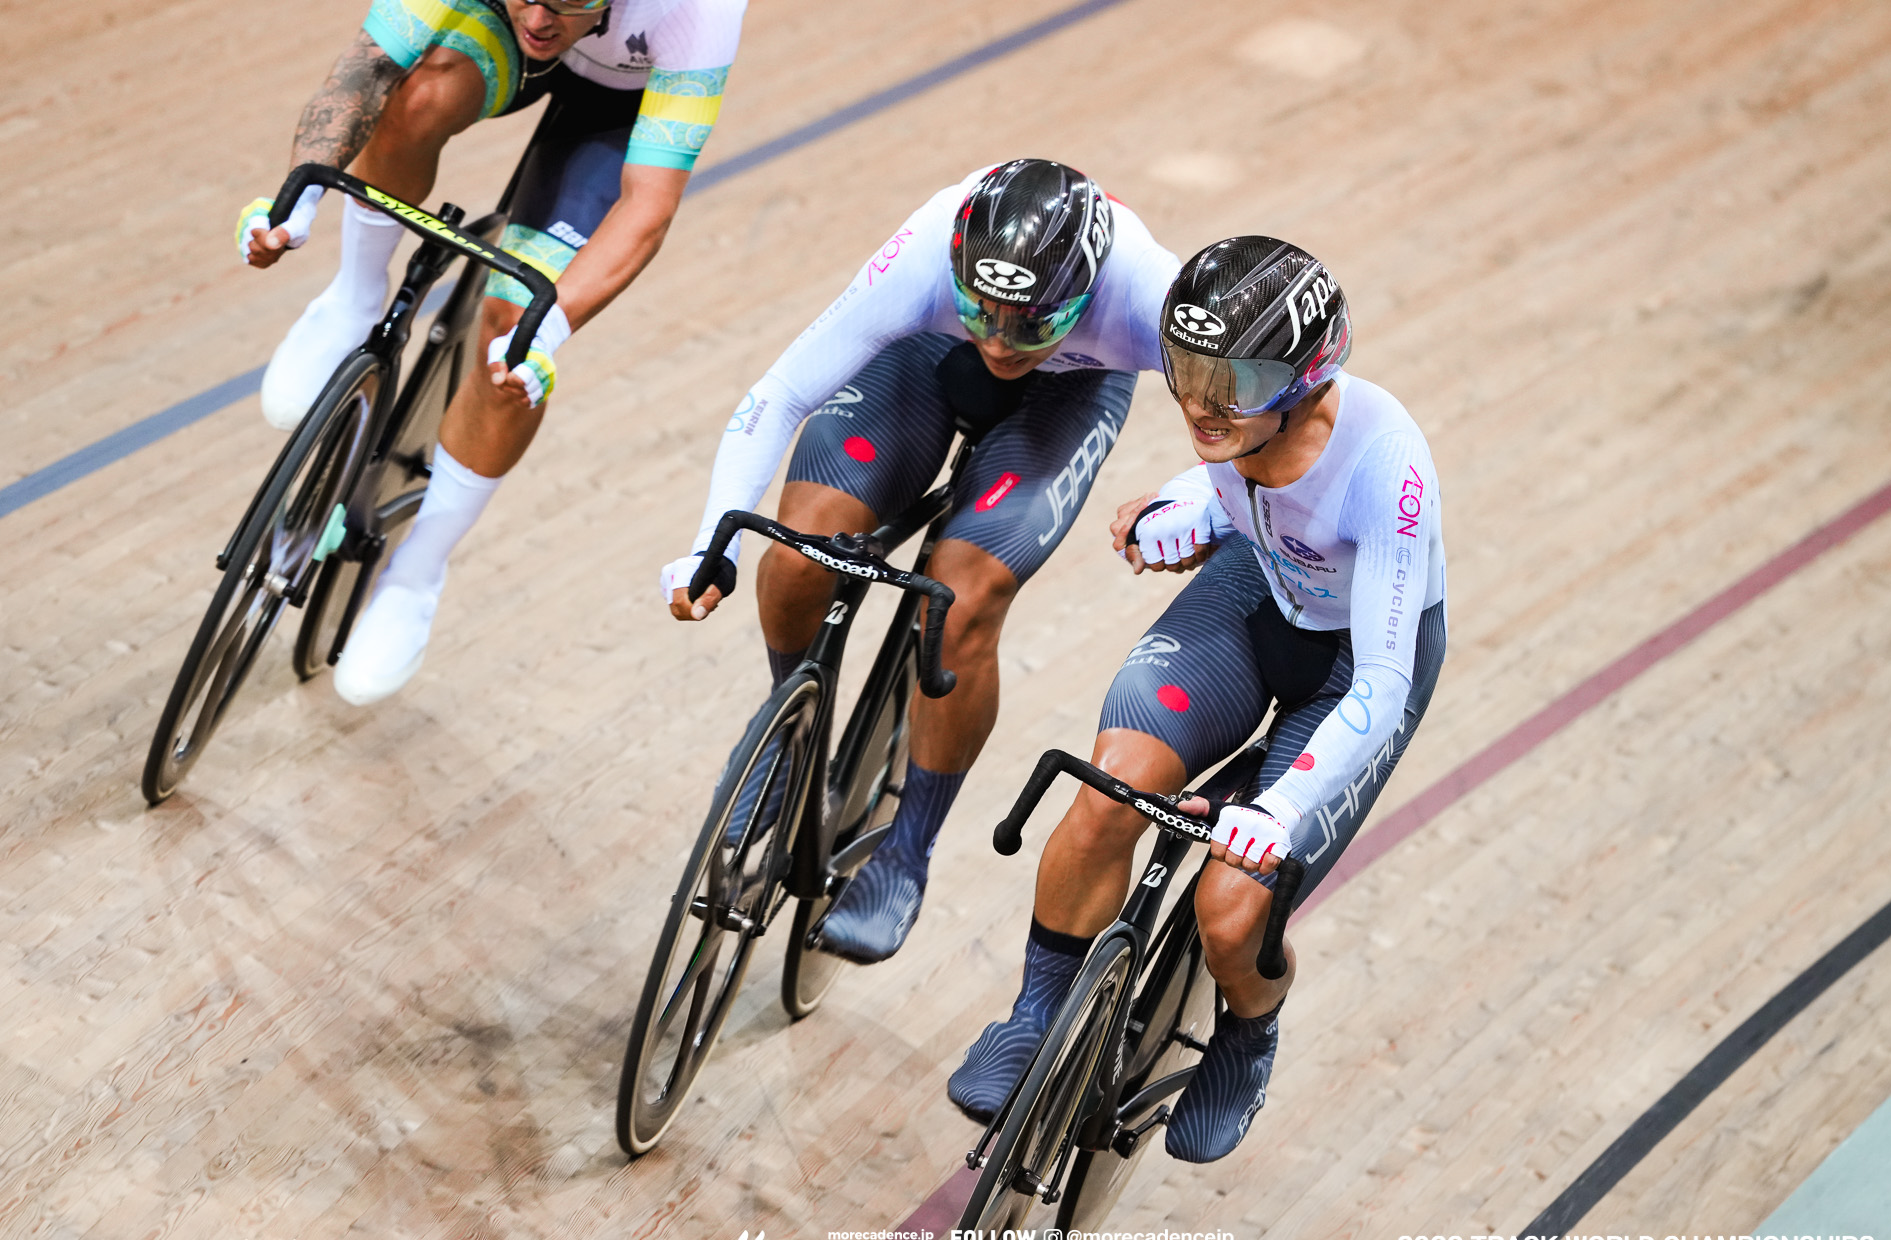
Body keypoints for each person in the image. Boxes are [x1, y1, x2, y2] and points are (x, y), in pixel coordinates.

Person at [946, 236, 1449, 1164]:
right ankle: (1034, 1011)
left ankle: (1249, 1033)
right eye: (1186, 370)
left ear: (1304, 380)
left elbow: (1383, 682)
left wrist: (1282, 808)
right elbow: (1228, 485)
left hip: (1355, 665)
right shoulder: (1237, 415)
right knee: (1108, 789)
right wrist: (1182, 510)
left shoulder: (1388, 466)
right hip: (1258, 595)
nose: (1200, 403)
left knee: (1231, 906)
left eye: (1231, 383)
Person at [662, 159, 1182, 965]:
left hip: (1067, 399)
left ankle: (906, 851)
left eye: (1032, 324)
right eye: (986, 311)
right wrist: (707, 545)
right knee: (802, 548)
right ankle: (787, 729)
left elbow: (1247, 425)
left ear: (1084, 297)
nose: (1003, 341)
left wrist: (1193, 505)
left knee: (962, 598)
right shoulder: (929, 245)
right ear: (960, 267)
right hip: (926, 361)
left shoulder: (1147, 292)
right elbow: (782, 393)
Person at [238, 0, 746, 705]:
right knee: (416, 95)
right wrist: (298, 194)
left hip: (620, 106)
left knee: (512, 325)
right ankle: (353, 298)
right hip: (489, 38)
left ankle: (417, 570)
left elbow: (647, 206)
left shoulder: (696, 9)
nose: (540, 17)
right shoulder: (529, 16)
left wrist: (547, 330)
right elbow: (367, 67)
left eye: (567, 2)